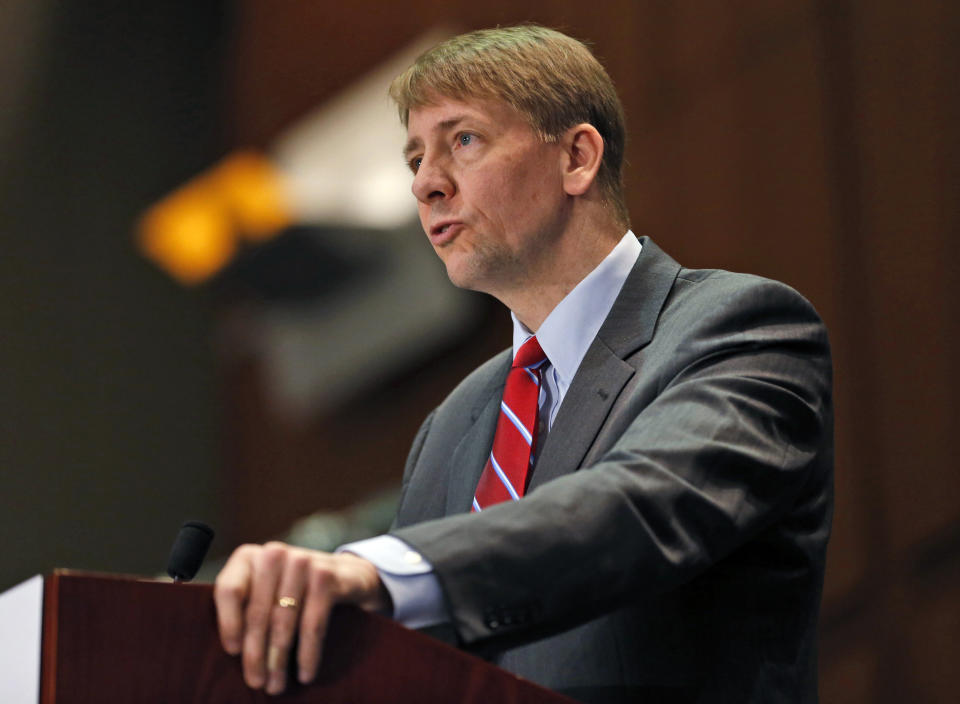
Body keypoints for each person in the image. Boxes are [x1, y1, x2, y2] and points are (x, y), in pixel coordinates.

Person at [214, 25, 833, 703]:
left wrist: (379, 572)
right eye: (415, 158)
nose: (425, 184)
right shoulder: (453, 426)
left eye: (463, 141)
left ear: (577, 157)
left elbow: (636, 509)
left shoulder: (739, 327)